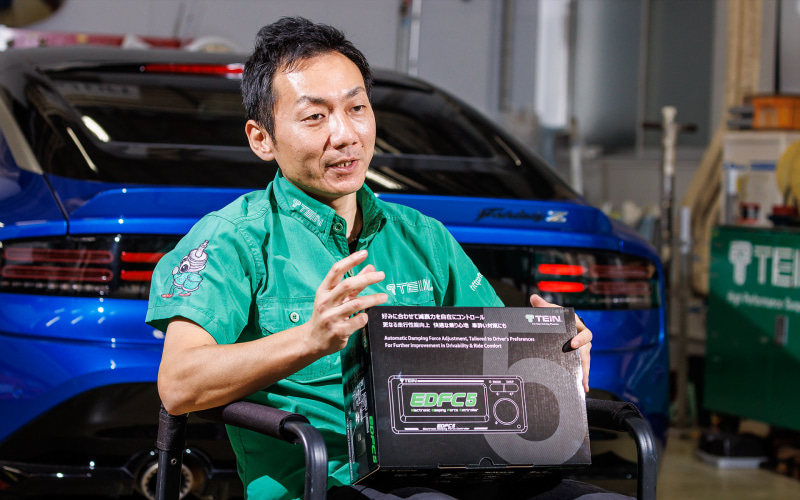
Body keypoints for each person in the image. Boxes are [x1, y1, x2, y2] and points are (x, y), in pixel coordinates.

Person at [147, 16, 627, 500]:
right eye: (315, 117)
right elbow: (179, 384)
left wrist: (552, 354)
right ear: (261, 139)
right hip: (326, 483)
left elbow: (498, 366)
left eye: (356, 108)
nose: (345, 134)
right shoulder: (234, 240)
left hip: (454, 474)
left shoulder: (423, 237)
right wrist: (309, 340)